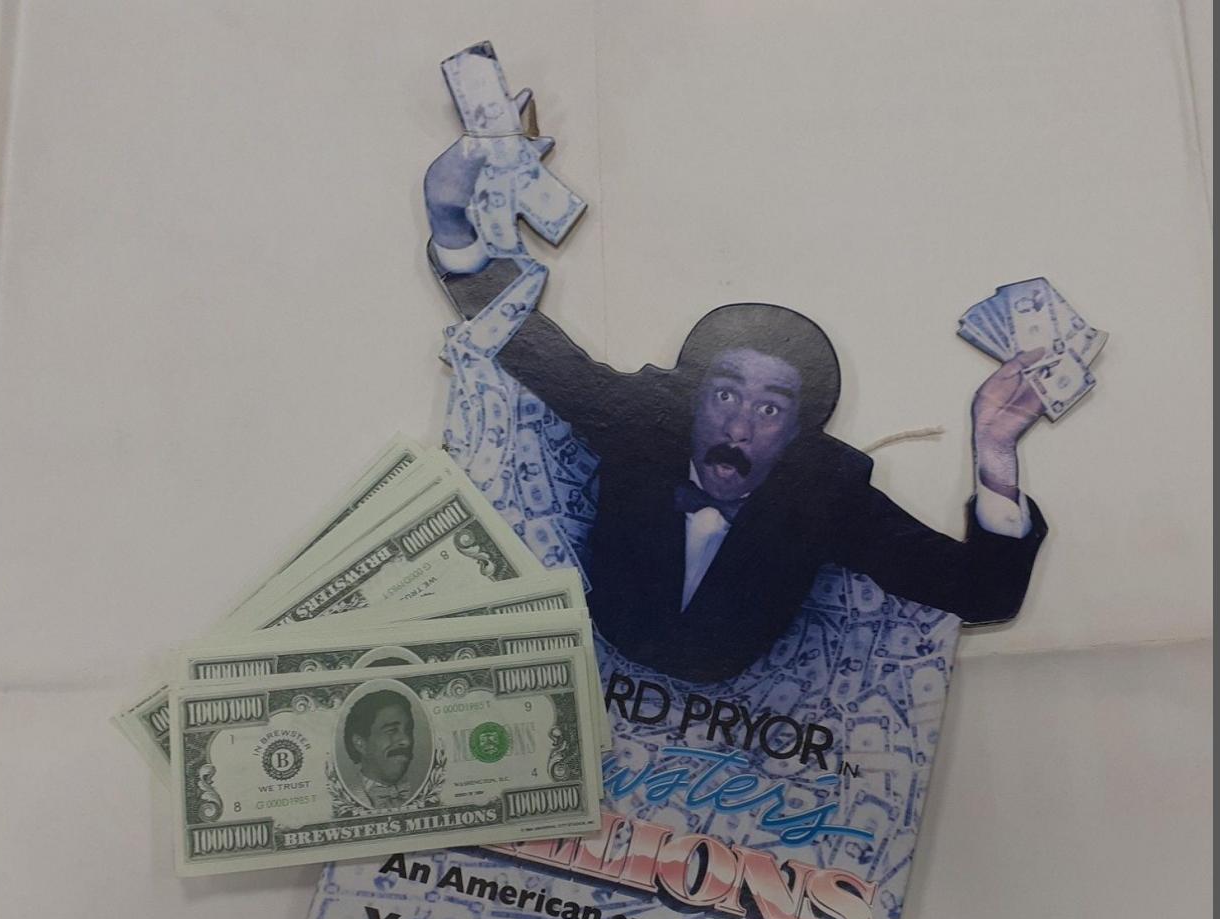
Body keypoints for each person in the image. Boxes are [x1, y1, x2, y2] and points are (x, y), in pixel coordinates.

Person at [424, 94, 1049, 683]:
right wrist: (451, 220)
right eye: (725, 396)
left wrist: (995, 453)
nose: (739, 428)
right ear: (691, 399)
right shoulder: (643, 423)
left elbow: (982, 595)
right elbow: (538, 353)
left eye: (771, 408)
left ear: (800, 431)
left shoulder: (824, 490)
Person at [343, 689, 415, 808]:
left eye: (408, 730)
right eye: (391, 730)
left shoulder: (422, 791)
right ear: (360, 744)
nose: (406, 741)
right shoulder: (345, 797)